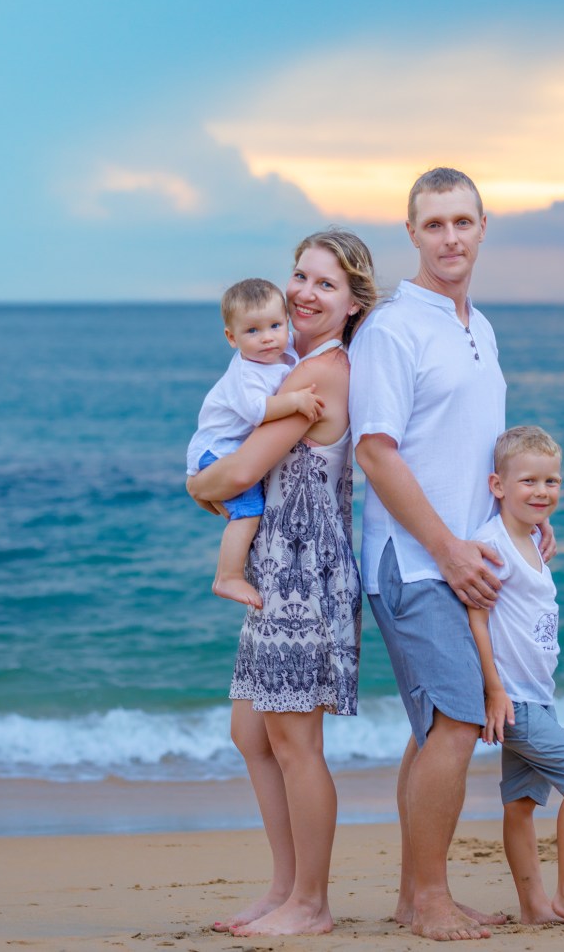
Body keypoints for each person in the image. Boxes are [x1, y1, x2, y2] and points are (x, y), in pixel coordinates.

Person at [349, 166, 554, 942]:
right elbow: (375, 453)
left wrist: (518, 520)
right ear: (411, 233)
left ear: (482, 227)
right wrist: (445, 549)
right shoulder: (393, 329)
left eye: (461, 222)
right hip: (412, 561)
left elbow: (473, 450)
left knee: (434, 727)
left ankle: (415, 896)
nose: (449, 238)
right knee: (460, 722)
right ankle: (431, 902)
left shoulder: (480, 327)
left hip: (469, 559)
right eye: (433, 224)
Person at [187, 229, 376, 937]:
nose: (304, 292)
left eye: (326, 284)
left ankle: (312, 903)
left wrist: (193, 483)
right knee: (252, 734)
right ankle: (283, 888)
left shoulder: (324, 372)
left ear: (353, 304)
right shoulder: (284, 365)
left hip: (305, 576)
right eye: (300, 275)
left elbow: (237, 472)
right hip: (275, 568)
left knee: (296, 745)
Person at [468, 426, 564, 932]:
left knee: (520, 804)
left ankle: (534, 907)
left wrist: (539, 523)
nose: (541, 491)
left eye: (551, 481)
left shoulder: (533, 537)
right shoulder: (492, 545)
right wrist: (494, 690)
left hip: (538, 695)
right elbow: (476, 619)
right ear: (497, 486)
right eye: (529, 481)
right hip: (514, 700)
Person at [186, 277, 323, 609]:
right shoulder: (247, 373)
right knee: (248, 512)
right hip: (218, 449)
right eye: (252, 331)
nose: (267, 337)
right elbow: (257, 412)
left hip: (227, 447)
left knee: (241, 507)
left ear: (287, 322)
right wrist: (295, 401)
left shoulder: (283, 350)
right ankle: (227, 576)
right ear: (232, 338)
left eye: (275, 325)